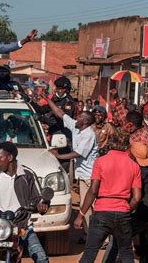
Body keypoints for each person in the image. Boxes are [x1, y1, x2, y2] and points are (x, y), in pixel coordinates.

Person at [73, 132, 142, 263]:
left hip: (102, 212)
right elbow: (137, 197)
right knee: (126, 252)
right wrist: (127, 208)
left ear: (110, 143)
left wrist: (81, 214)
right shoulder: (134, 166)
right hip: (122, 213)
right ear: (128, 146)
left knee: (89, 253)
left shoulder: (100, 162)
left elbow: (93, 191)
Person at [43, 94, 98, 242]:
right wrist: (47, 99)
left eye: (80, 117)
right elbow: (60, 113)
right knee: (85, 206)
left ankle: (96, 237)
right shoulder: (76, 127)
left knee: (89, 206)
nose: (77, 118)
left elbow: (77, 153)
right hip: (82, 174)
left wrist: (58, 156)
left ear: (85, 122)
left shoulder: (89, 135)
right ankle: (89, 235)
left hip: (90, 175)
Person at [105, 141, 148, 263]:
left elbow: (133, 196)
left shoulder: (135, 170)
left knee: (116, 240)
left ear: (132, 156)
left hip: (142, 214)